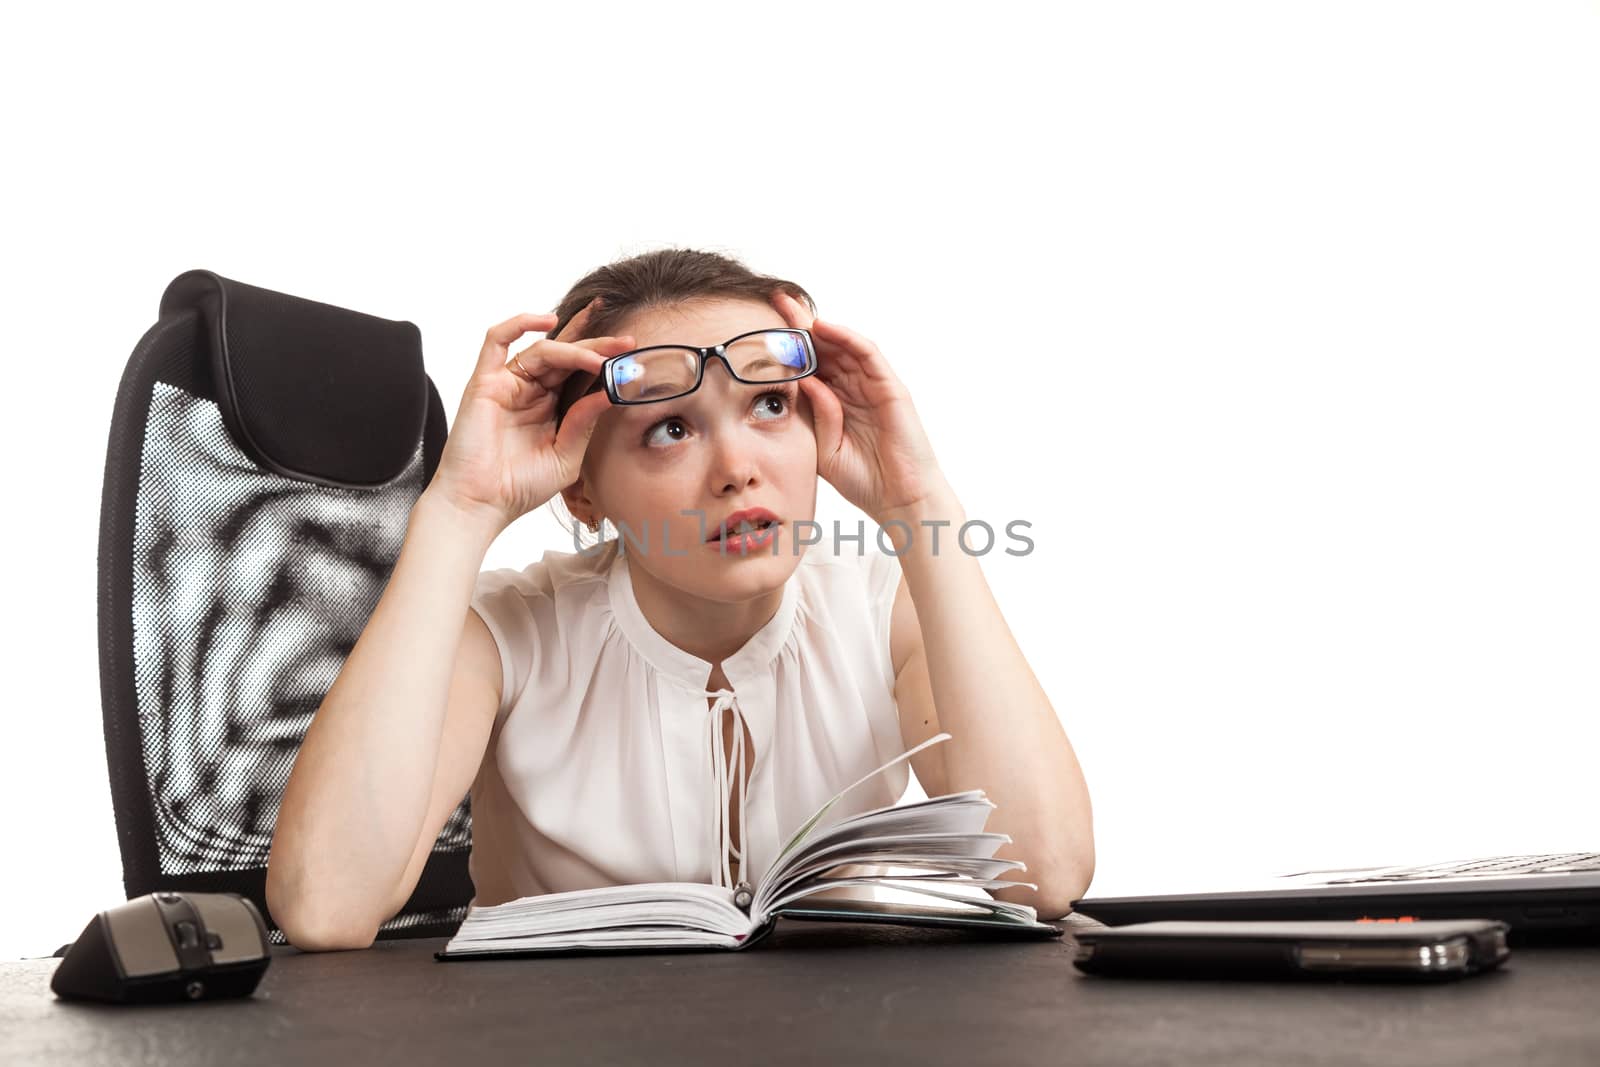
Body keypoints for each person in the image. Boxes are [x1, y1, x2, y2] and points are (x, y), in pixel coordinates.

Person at [265, 248, 1094, 951]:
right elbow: (325, 905)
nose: (737, 466)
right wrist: (460, 510)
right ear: (582, 491)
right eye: (671, 429)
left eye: (771, 405)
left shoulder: (885, 611)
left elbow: (1046, 871)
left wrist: (918, 505)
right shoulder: (507, 631)